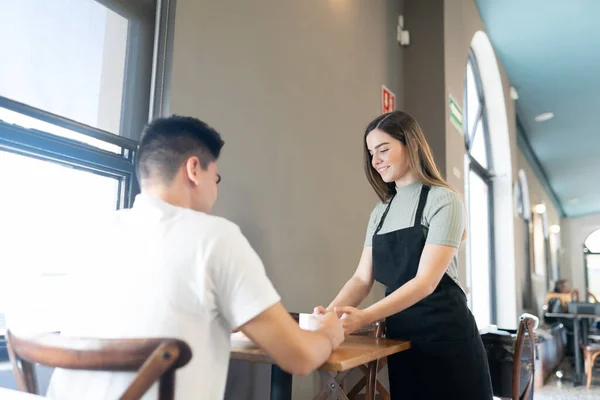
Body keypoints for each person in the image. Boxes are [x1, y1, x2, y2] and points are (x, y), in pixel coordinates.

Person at [46, 116, 344, 399]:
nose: (215, 191)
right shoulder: (215, 237)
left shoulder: (95, 233)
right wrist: (329, 335)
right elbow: (300, 359)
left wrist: (221, 319)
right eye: (215, 178)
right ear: (193, 170)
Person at [313, 111, 493, 399]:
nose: (376, 160)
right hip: (401, 337)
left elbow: (426, 282)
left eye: (384, 150)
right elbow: (362, 278)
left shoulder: (444, 199)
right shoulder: (380, 212)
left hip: (447, 336)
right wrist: (329, 315)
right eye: (372, 153)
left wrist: (363, 317)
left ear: (411, 146)